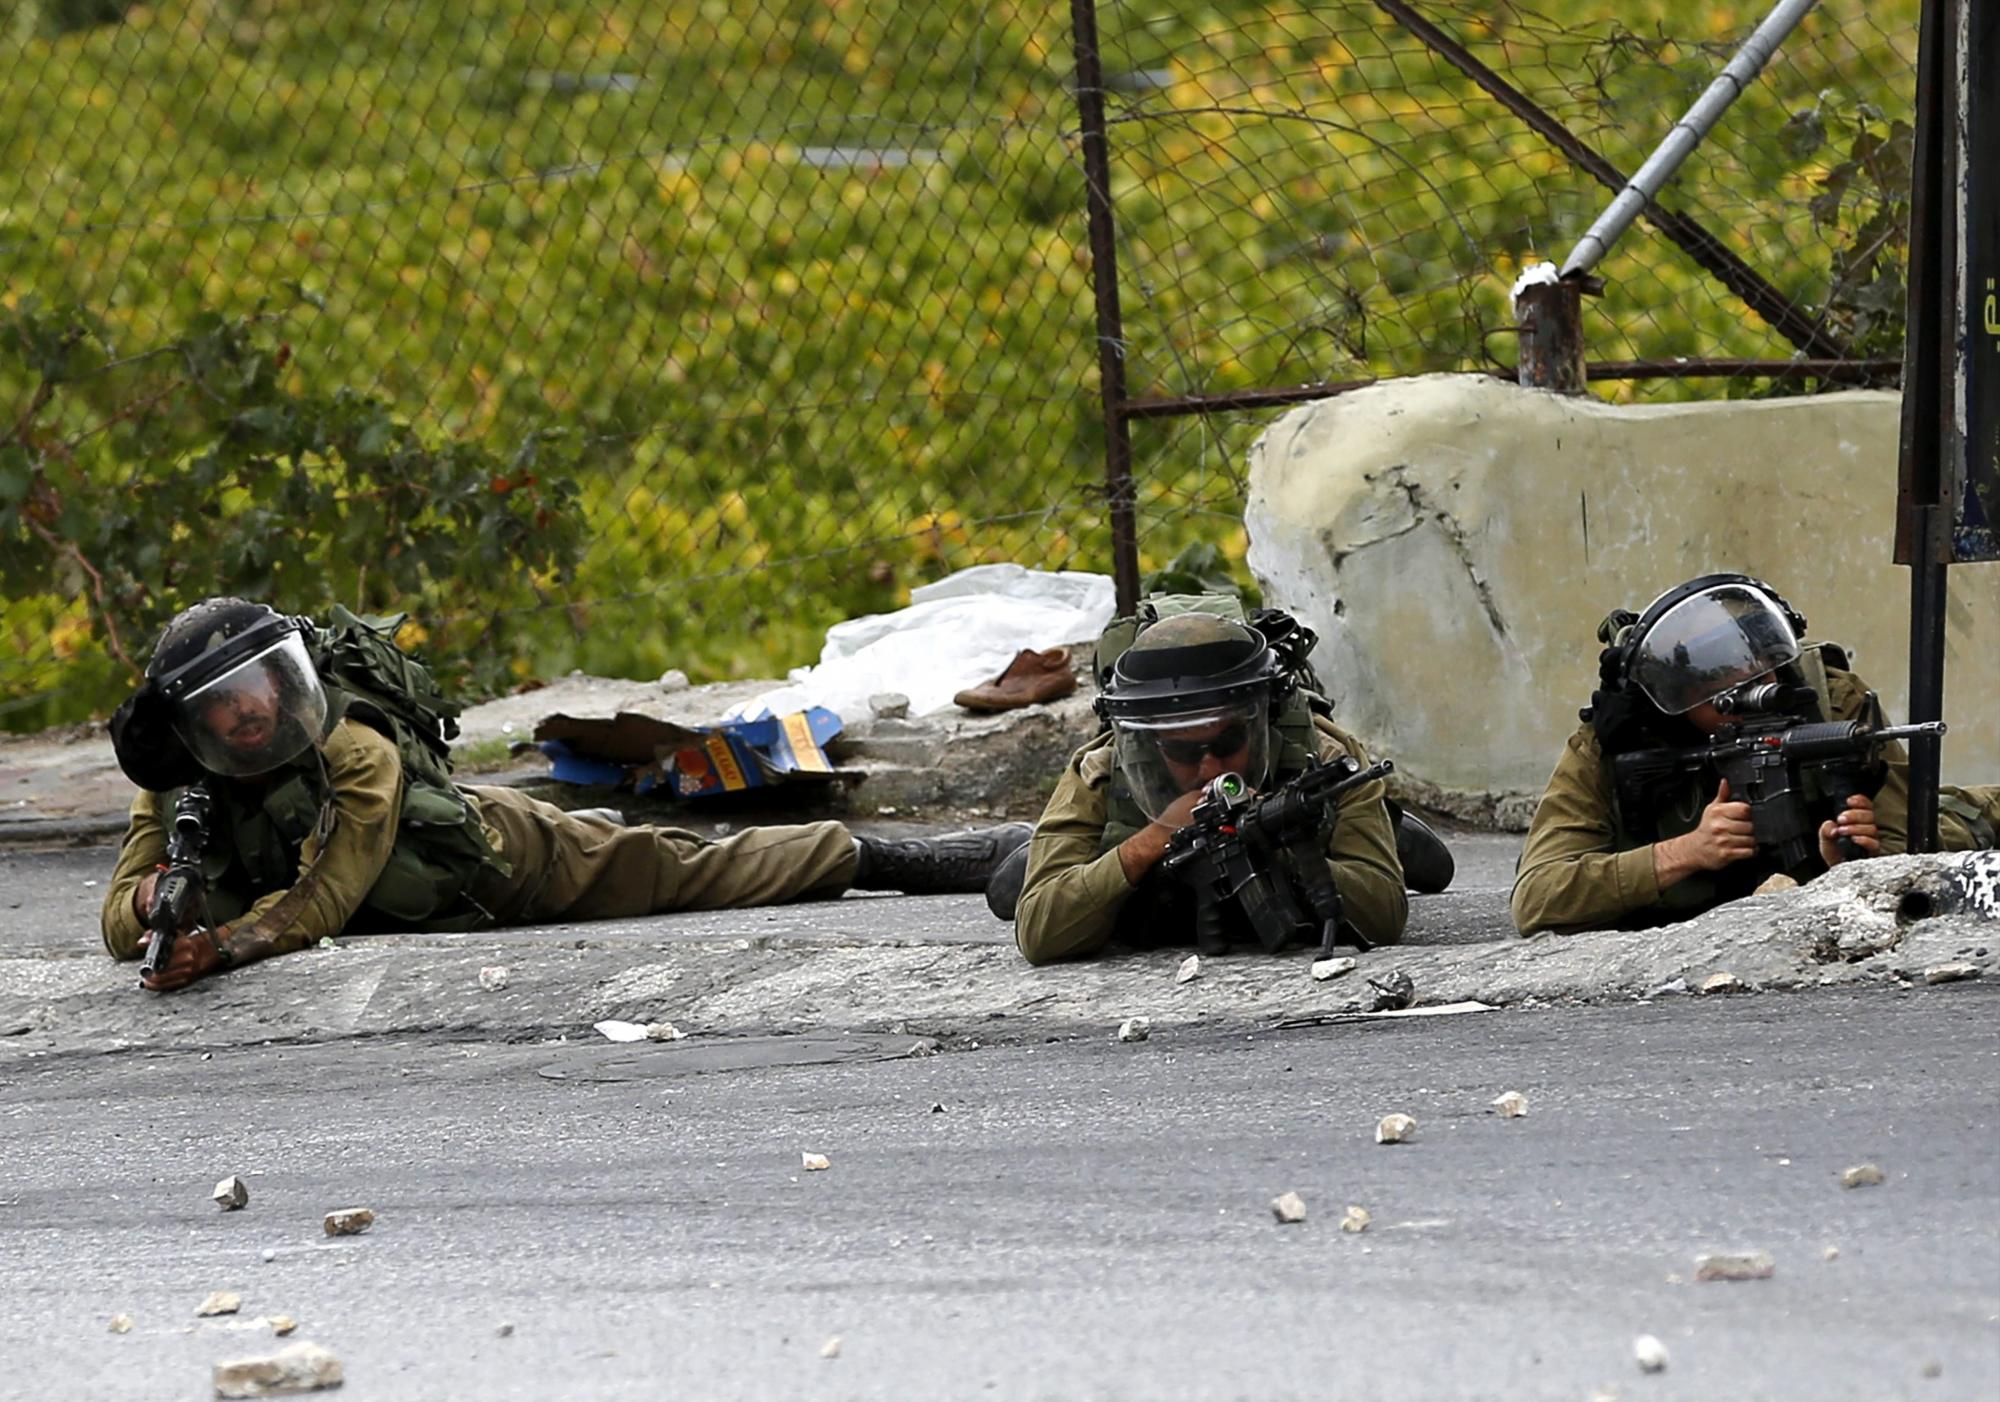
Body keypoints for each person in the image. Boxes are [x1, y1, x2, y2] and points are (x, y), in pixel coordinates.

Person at [103, 599, 1029, 990]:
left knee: (691, 871)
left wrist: (217, 947)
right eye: (226, 708)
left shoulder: (354, 747)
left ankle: (918, 856)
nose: (251, 717)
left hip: (500, 863)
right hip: (410, 912)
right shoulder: (179, 783)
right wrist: (154, 907)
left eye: (262, 691)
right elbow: (117, 913)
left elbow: (326, 894)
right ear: (196, 723)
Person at [1511, 574, 1921, 936]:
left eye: (1762, 673)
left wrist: (1845, 865)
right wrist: (1686, 852)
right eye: (1720, 690)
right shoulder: (1611, 745)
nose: (1753, 696)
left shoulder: (1834, 704)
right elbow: (1537, 898)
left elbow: (1910, 852)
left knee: (1968, 814)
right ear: (1672, 695)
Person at [1001, 612, 1416, 965]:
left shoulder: (1326, 755)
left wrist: (1279, 840)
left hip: (1293, 821)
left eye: (1228, 743)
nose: (1209, 768)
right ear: (1148, 744)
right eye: (1182, 752)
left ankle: (1395, 827)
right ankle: (1008, 844)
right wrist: (1151, 842)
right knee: (1008, 887)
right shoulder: (1103, 770)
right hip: (1150, 856)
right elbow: (1040, 932)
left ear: (1263, 722)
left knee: (1429, 864)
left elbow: (1383, 915)